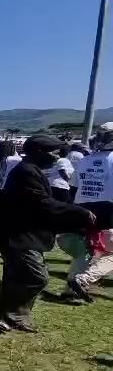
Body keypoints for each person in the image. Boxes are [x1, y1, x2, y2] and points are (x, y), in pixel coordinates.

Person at [0, 135, 95, 333]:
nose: (57, 156)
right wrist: (79, 212)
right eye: (53, 152)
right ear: (39, 152)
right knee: (36, 277)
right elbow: (42, 203)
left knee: (20, 277)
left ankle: (3, 311)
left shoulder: (31, 170)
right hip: (19, 234)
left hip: (23, 233)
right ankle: (6, 312)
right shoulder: (26, 172)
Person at [59, 129, 113, 304]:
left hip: (82, 209)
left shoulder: (86, 159)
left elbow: (73, 187)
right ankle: (84, 280)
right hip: (107, 210)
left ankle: (71, 289)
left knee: (86, 252)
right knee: (105, 252)